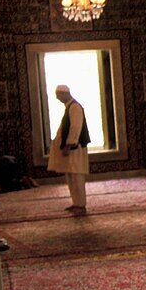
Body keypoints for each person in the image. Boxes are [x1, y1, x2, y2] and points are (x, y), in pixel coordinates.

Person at [47, 84, 90, 215]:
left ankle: (81, 205)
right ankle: (76, 203)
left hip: (74, 149)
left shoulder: (75, 107)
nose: (58, 99)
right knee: (71, 176)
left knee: (76, 177)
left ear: (64, 94)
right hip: (71, 149)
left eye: (58, 96)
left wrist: (69, 145)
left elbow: (75, 127)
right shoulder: (70, 107)